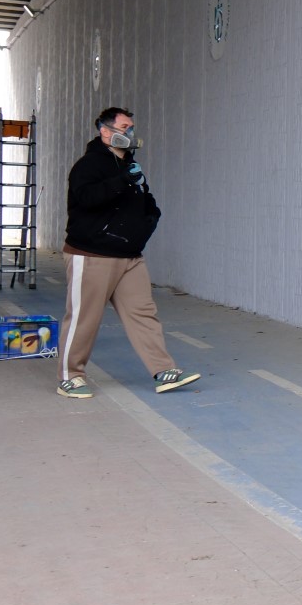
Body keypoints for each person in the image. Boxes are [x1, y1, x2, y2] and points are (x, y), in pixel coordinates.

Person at [56, 107, 200, 400]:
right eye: (125, 127)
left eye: (131, 128)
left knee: (143, 314)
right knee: (84, 317)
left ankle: (163, 371)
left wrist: (150, 217)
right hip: (93, 254)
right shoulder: (89, 165)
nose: (130, 134)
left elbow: (145, 200)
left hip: (129, 256)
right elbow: (86, 200)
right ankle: (70, 377)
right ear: (105, 131)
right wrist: (121, 183)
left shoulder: (130, 166)